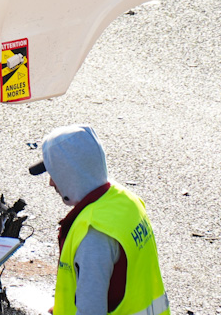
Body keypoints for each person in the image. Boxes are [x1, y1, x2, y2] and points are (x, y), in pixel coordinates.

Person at [31, 124, 167, 315]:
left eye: (55, 174)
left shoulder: (93, 234)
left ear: (71, 175)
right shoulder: (126, 201)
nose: (51, 182)